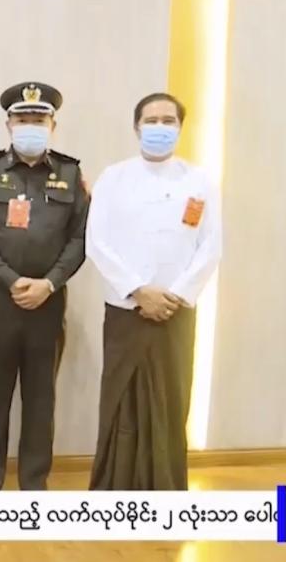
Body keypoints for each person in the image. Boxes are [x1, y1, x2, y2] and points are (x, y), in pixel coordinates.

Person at [0, 82, 89, 490]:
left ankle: (34, 486)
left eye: (39, 119)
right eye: (22, 119)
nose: (30, 125)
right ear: (8, 123)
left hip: (48, 304)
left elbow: (81, 238)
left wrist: (49, 283)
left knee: (41, 401)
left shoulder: (70, 174)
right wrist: (14, 281)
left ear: (53, 125)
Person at [87, 92, 222, 490]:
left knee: (170, 401)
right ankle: (114, 489)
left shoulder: (199, 181)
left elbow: (211, 245)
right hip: (126, 309)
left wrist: (175, 294)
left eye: (169, 121)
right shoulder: (114, 177)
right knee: (120, 398)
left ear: (180, 128)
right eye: (152, 120)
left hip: (176, 312)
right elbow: (97, 241)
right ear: (136, 127)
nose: (160, 128)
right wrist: (137, 290)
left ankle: (165, 489)